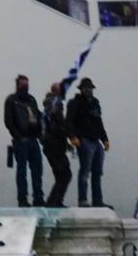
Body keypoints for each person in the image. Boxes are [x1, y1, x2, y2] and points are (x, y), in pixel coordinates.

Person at [3, 75, 45, 207]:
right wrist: (18, 136)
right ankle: (22, 199)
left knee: (37, 170)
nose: (25, 87)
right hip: (21, 141)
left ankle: (38, 198)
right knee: (22, 171)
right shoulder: (11, 100)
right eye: (23, 84)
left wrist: (40, 134)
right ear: (17, 85)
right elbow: (8, 121)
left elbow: (37, 116)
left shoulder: (31, 99)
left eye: (26, 84)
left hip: (33, 139)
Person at [67, 77, 108, 207]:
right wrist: (72, 137)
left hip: (96, 141)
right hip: (83, 140)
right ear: (81, 89)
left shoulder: (95, 103)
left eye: (90, 88)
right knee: (85, 171)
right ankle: (83, 200)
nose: (89, 90)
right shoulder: (74, 103)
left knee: (97, 172)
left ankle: (97, 201)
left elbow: (99, 122)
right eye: (86, 88)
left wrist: (105, 139)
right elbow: (69, 121)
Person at [42, 85, 72, 208]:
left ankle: (53, 201)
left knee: (62, 175)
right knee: (64, 174)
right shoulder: (54, 105)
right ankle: (55, 201)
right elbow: (57, 126)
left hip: (54, 146)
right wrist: (67, 133)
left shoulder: (50, 105)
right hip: (54, 147)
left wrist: (66, 142)